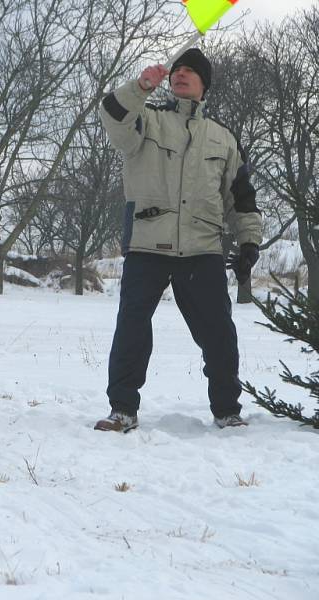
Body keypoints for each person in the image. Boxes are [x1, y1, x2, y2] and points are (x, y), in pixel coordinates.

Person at [95, 48, 263, 432]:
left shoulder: (224, 139)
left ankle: (227, 411)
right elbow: (112, 114)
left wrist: (249, 242)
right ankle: (122, 410)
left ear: (204, 85)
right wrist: (140, 87)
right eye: (177, 70)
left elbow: (241, 198)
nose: (181, 74)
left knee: (219, 334)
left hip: (202, 249)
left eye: (191, 71)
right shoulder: (146, 121)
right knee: (132, 330)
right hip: (147, 245)